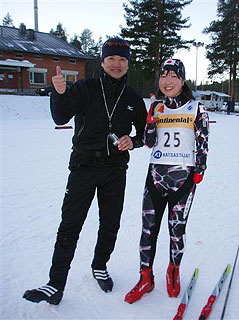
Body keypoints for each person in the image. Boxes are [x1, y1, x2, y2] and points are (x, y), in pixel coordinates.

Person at [23, 37, 147, 305]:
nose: (117, 64)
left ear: (128, 64)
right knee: (70, 225)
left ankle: (99, 265)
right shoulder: (85, 88)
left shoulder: (133, 98)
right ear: (102, 62)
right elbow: (60, 117)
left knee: (110, 223)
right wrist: (58, 93)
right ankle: (55, 284)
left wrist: (133, 141)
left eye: (122, 60)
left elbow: (147, 132)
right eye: (111, 59)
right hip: (83, 165)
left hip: (115, 168)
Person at [124, 58, 209, 304]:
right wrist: (151, 120)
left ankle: (173, 271)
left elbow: (203, 142)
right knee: (147, 231)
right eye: (164, 76)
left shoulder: (196, 108)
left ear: (182, 80)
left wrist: (199, 170)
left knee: (176, 231)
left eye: (174, 76)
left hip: (183, 181)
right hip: (156, 177)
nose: (168, 81)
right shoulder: (157, 107)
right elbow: (148, 142)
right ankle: (145, 277)